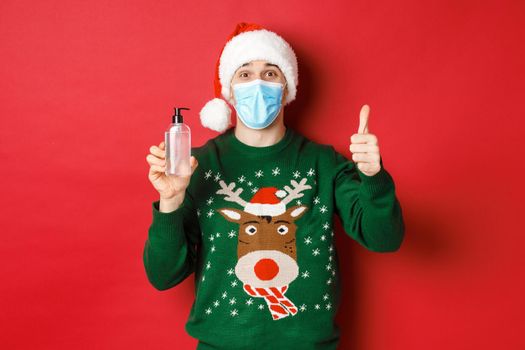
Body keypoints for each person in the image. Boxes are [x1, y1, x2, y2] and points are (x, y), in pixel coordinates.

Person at [143, 22, 405, 350]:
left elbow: (385, 239)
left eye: (270, 73)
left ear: (287, 86)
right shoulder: (195, 166)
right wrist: (170, 201)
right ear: (229, 90)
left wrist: (372, 178)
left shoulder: (323, 163)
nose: (257, 83)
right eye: (244, 74)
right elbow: (162, 276)